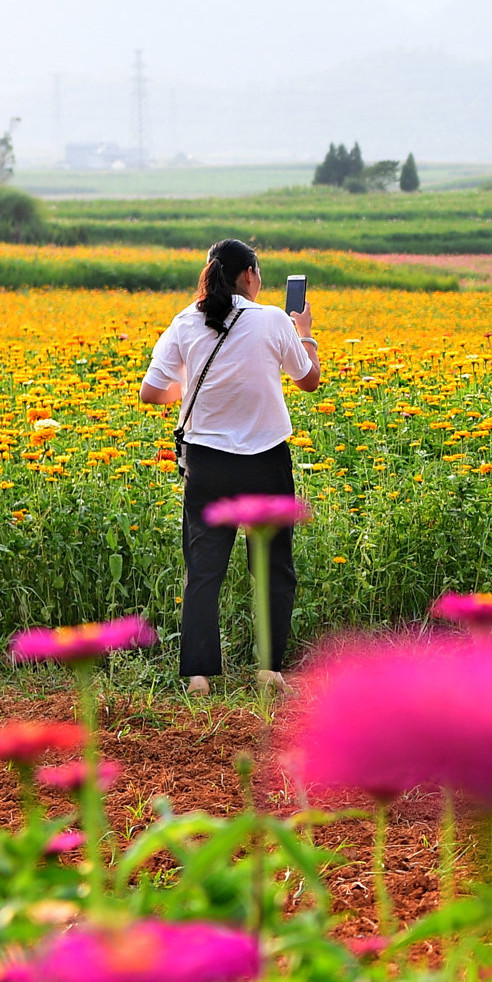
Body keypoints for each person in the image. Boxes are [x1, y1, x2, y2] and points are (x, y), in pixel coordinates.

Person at [137, 239, 320, 694]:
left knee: (203, 568)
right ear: (249, 276)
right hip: (265, 461)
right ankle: (269, 670)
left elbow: (151, 393)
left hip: (207, 464)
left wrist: (197, 385)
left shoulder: (183, 321)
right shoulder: (275, 320)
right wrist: (307, 332)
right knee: (274, 567)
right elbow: (309, 380)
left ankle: (199, 675)